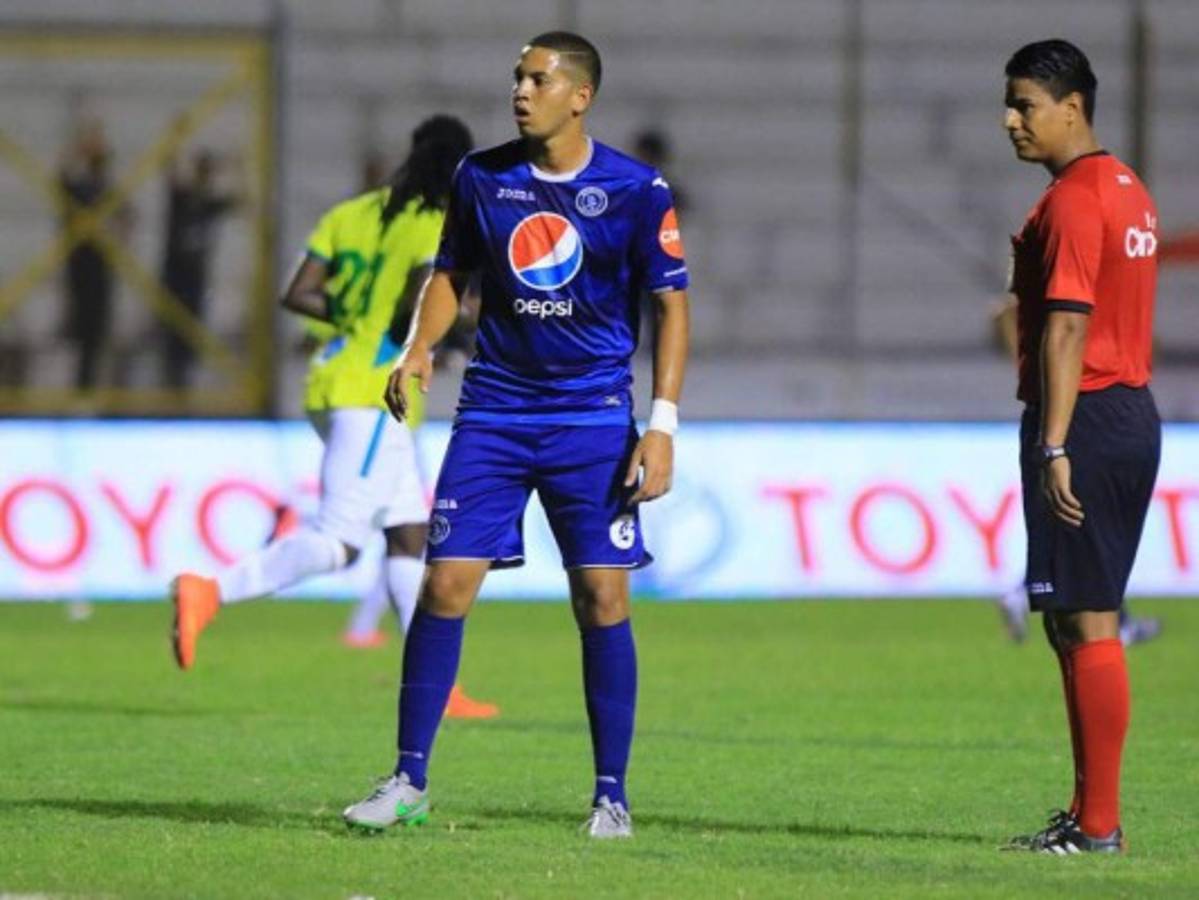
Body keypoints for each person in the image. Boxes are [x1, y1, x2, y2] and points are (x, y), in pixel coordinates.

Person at [341, 31, 690, 839]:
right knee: (443, 585)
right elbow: (450, 274)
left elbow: (671, 306)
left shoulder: (636, 189)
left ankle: (611, 795)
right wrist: (420, 345)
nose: (520, 91)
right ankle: (408, 781)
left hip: (593, 420)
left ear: (580, 95)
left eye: (537, 79)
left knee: (602, 597)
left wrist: (662, 424)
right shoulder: (481, 177)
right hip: (494, 413)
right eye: (516, 78)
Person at [169, 115, 497, 719]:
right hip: (379, 394)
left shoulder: (354, 214)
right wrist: (456, 329)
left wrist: (353, 312)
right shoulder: (436, 224)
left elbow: (298, 292)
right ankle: (210, 590)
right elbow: (417, 304)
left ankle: (436, 688)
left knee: (407, 532)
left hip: (334, 378)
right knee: (340, 542)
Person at [999, 40, 1161, 854]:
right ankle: (1086, 813)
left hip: (1086, 417)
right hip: (1126, 408)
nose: (1011, 120)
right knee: (1072, 618)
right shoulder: (1126, 187)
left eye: (1024, 104)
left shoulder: (1071, 198)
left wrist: (1053, 444)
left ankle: (1098, 825)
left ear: (1072, 107)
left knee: (1088, 620)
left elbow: (1067, 324)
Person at [990, 296, 1161, 647]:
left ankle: (1026, 593)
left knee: (1083, 538)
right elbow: (1013, 316)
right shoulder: (1069, 293)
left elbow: (1006, 314)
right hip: (1084, 410)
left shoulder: (1045, 290)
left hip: (1069, 405)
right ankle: (1113, 622)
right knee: (1091, 535)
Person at [159, 144, 243, 389]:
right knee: (172, 329)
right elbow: (170, 176)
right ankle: (172, 378)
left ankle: (182, 379)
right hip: (175, 275)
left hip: (196, 277)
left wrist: (238, 169)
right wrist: (175, 140)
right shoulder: (183, 197)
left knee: (191, 328)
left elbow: (240, 201)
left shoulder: (209, 203)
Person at [58, 121, 130, 391]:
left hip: (100, 266)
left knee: (96, 331)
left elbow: (127, 219)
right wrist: (81, 143)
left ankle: (88, 385)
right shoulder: (80, 188)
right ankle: (81, 385)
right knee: (80, 327)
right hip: (80, 264)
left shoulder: (108, 190)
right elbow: (62, 175)